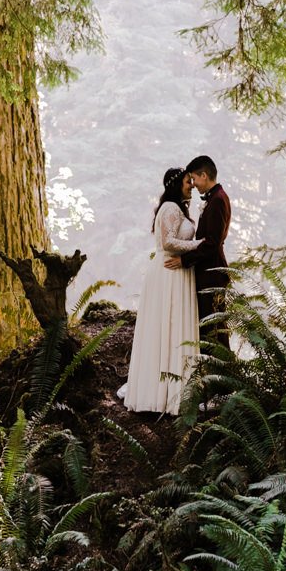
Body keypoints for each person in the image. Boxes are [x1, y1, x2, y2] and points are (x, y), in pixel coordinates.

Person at [119, 166, 200, 414]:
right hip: (168, 273)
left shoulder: (178, 209)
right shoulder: (170, 208)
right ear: (177, 185)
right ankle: (160, 393)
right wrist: (200, 244)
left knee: (175, 326)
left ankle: (176, 389)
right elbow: (168, 242)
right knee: (166, 325)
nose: (192, 186)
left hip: (178, 271)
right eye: (188, 182)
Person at [171, 153, 230, 332]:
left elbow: (212, 243)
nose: (193, 184)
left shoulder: (218, 200)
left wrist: (184, 260)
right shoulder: (215, 197)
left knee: (213, 328)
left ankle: (218, 361)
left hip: (212, 272)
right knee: (209, 326)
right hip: (208, 271)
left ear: (204, 175)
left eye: (194, 178)